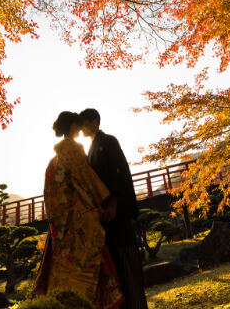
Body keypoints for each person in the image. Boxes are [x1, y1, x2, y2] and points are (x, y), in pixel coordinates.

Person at [34, 111, 123, 309]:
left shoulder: (53, 161)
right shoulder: (74, 151)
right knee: (90, 271)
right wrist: (104, 202)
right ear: (73, 126)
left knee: (66, 272)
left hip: (61, 229)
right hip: (79, 223)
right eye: (78, 124)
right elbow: (87, 181)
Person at [80, 108, 148, 309]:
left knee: (127, 264)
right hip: (105, 217)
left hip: (117, 212)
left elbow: (120, 171)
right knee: (116, 268)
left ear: (94, 122)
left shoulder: (108, 141)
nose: (83, 127)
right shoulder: (92, 147)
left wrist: (115, 201)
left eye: (85, 123)